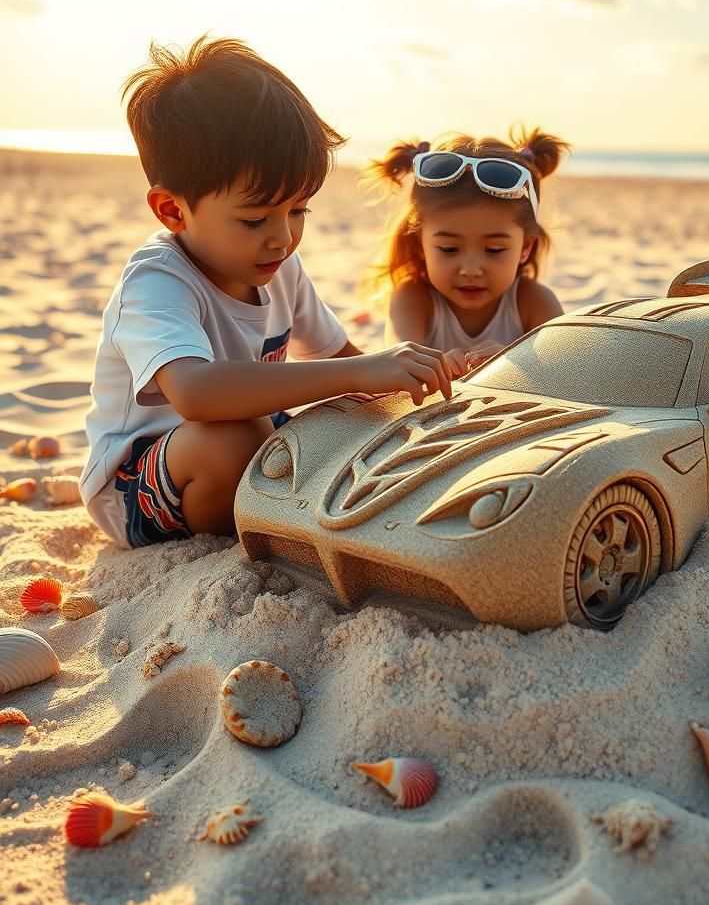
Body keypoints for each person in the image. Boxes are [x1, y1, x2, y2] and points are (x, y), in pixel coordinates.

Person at [80, 37, 453, 548]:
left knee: (351, 418)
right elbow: (195, 393)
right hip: (142, 484)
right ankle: (255, 523)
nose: (283, 236)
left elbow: (345, 362)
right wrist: (356, 372)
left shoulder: (278, 264)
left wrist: (409, 375)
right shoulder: (156, 282)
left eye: (299, 210)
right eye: (255, 218)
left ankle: (277, 505)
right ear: (172, 210)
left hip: (258, 433)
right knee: (236, 438)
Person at [363, 127, 569, 376]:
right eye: (449, 249)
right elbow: (400, 364)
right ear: (420, 245)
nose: (471, 269)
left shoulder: (534, 302)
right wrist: (436, 367)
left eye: (494, 250)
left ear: (526, 247)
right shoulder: (413, 300)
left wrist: (514, 362)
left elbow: (565, 374)